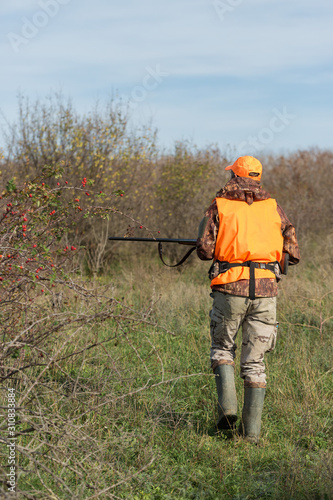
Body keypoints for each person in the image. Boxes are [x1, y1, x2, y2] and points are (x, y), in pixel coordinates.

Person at [196, 156, 300, 443]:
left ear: (234, 176)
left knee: (222, 349)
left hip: (231, 288)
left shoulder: (220, 205)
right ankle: (251, 436)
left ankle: (227, 410)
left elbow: (205, 250)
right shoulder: (273, 207)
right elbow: (292, 250)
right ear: (257, 177)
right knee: (255, 363)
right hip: (267, 292)